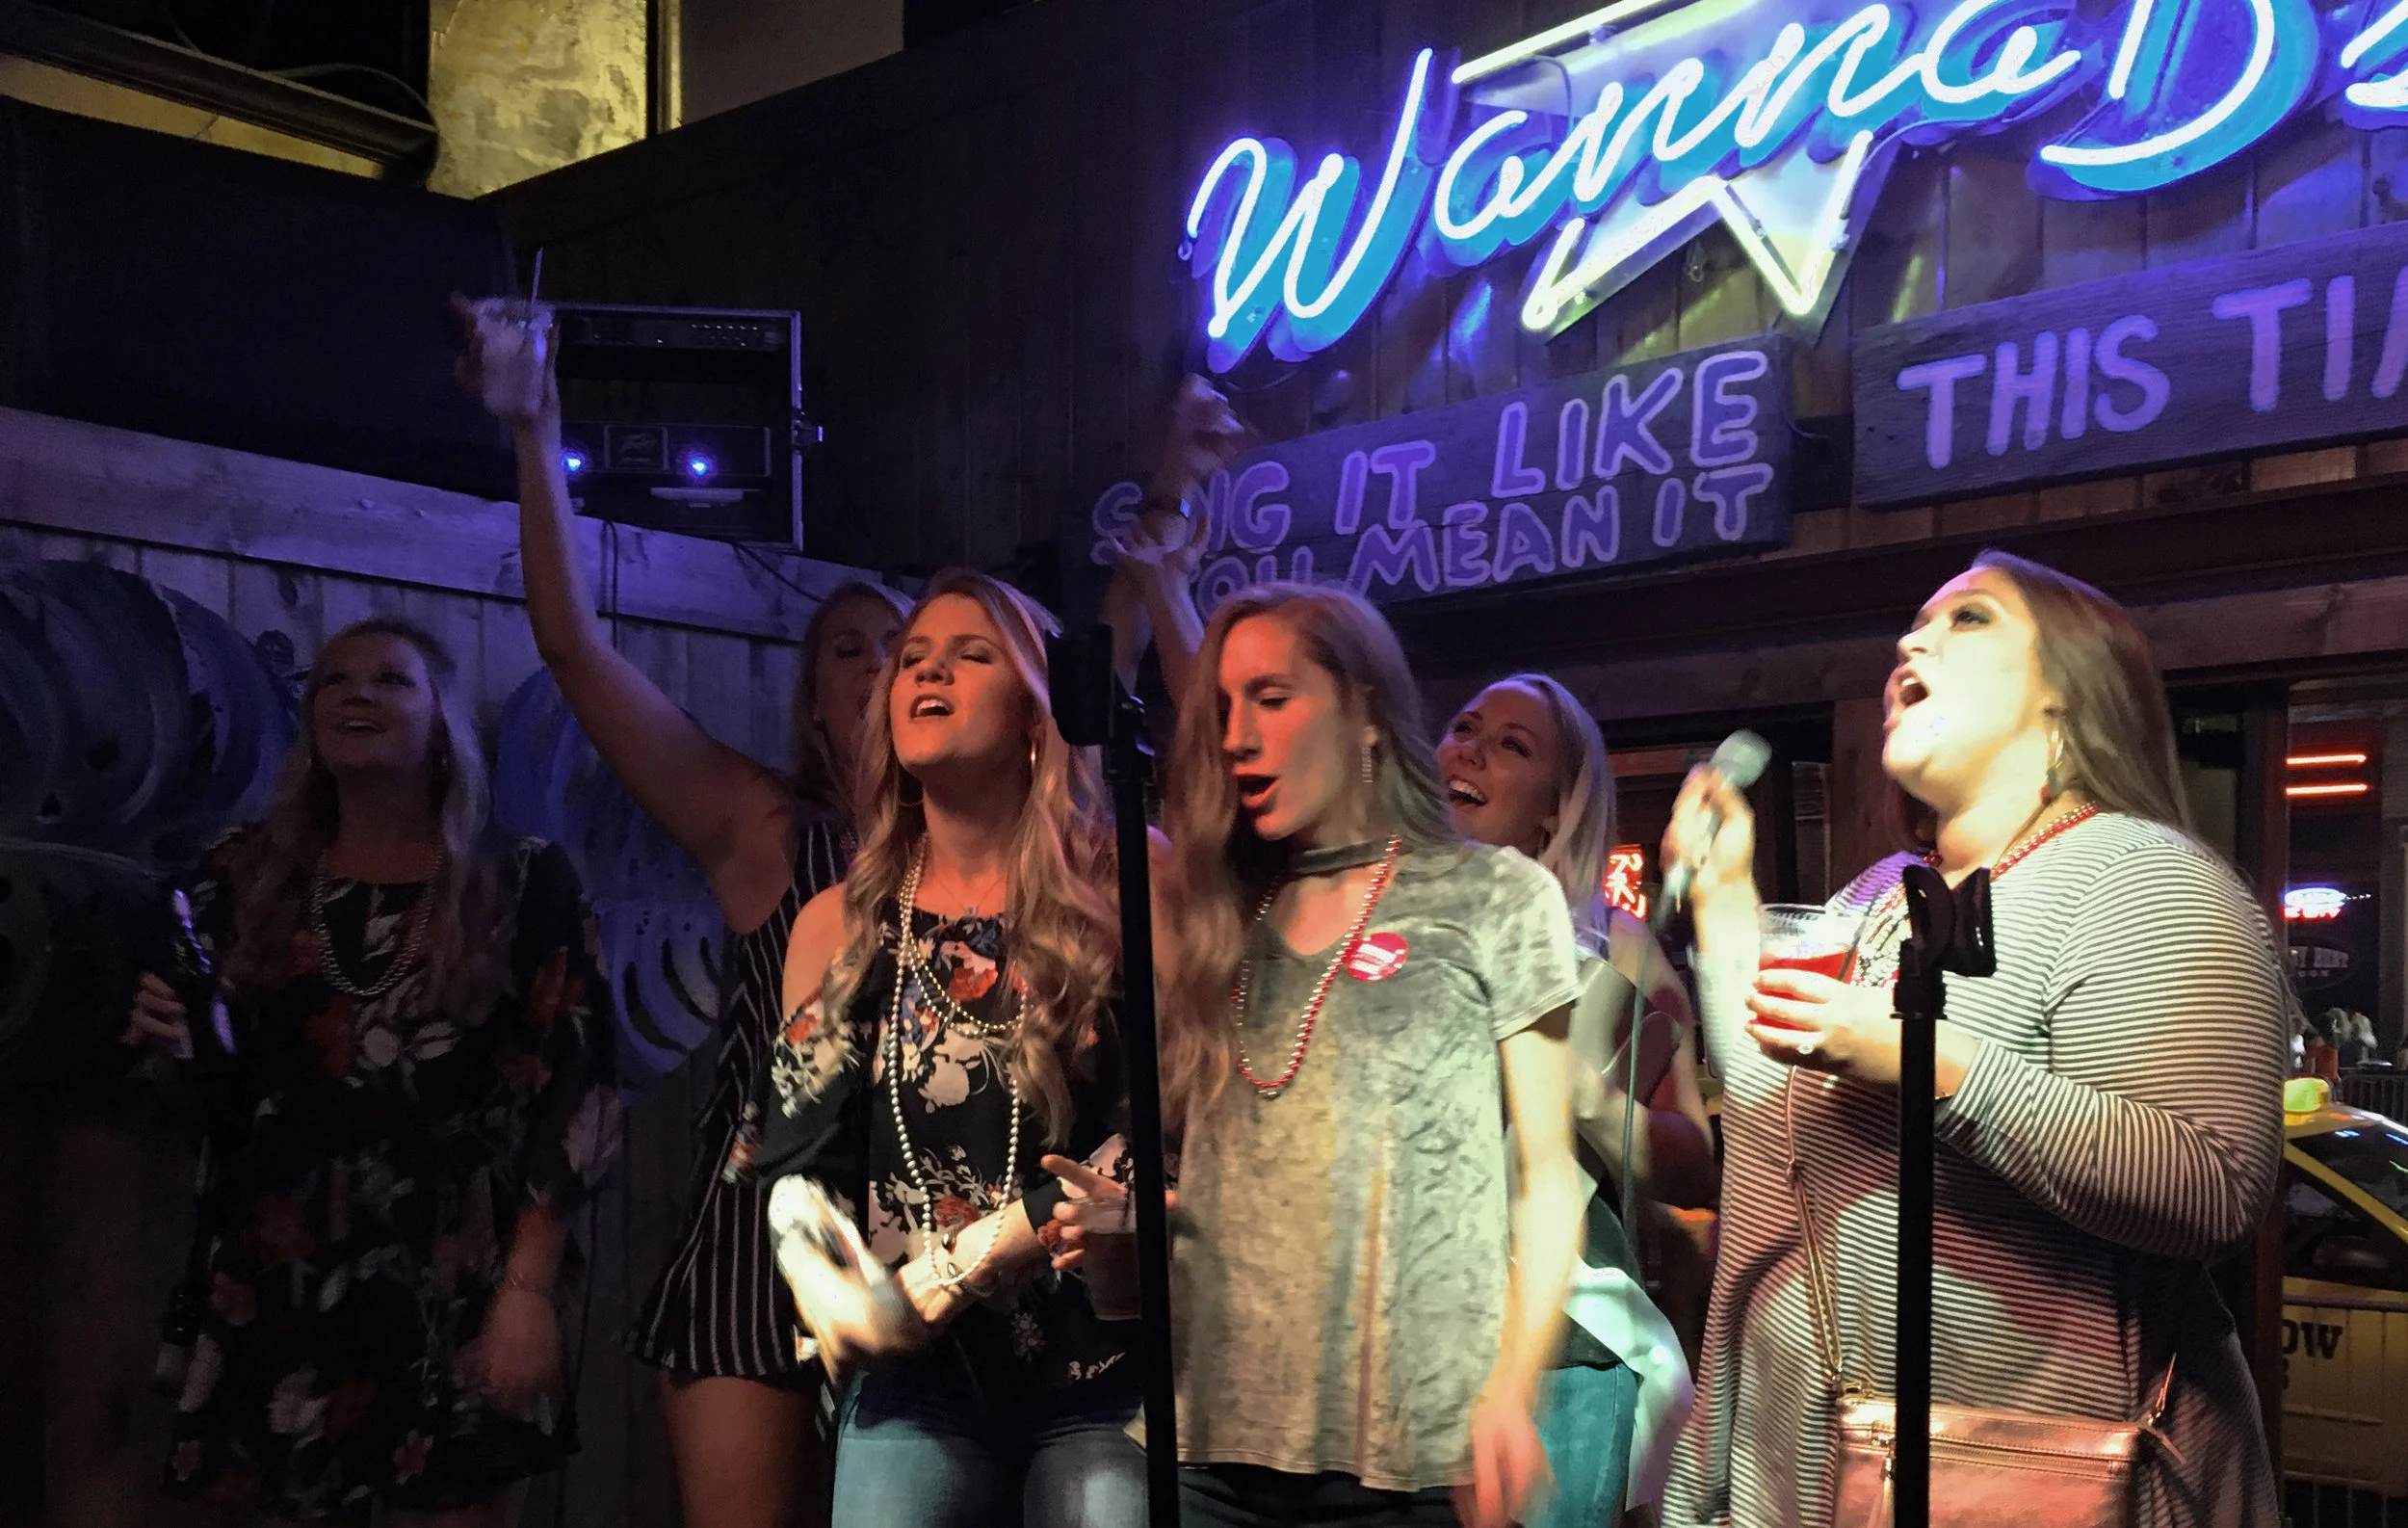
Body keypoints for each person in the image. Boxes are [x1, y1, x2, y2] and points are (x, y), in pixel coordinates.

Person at [1660, 550, 2288, 1527]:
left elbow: (2209, 1184)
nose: (1910, 641)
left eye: (1969, 620)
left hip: (2039, 1478)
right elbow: (1773, 1115)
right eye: (1913, 624)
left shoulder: (2143, 878)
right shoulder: (1876, 895)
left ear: (2068, 695)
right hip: (1811, 1476)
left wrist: (1927, 1062)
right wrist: (1724, 894)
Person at [454, 296, 909, 1528]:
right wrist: (534, 424)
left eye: (909, 645)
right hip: (758, 1256)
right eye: (851, 649)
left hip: (940, 1251)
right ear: (812, 700)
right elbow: (573, 649)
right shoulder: (769, 829)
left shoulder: (992, 859)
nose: (887, 665)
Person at [1106, 582, 1586, 1528]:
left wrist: (1510, 1391)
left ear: (1365, 709)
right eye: (1222, 709)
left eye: (1272, 698)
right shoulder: (1212, 912)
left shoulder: (1492, 893)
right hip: (1203, 1439)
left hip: (1404, 1457)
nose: (1238, 734)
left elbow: (1548, 1178)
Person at [124, 619, 620, 1526]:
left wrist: (527, 1291)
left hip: (458, 1274)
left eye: (390, 681)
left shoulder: (518, 878)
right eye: (335, 681)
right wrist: (168, 1048)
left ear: (442, 724)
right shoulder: (243, 876)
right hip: (279, 1269)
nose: (357, 695)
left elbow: (576, 1090)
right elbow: (213, 1101)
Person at [754, 570, 1147, 1528]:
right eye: (913, 656)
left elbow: (1179, 1118)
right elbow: (795, 1162)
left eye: (972, 654)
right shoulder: (835, 922)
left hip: (1099, 1373)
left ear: (1033, 712)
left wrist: (983, 1250)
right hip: (917, 1379)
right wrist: (817, 1271)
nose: (929, 667)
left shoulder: (1127, 879)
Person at [1437, 672, 1714, 1523]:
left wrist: (1585, 1097)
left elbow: (1695, 1164)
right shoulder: (1360, 929)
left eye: (1512, 746)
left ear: (1555, 811)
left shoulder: (1607, 950)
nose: (1472, 749)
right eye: (1464, 725)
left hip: (1560, 1347)